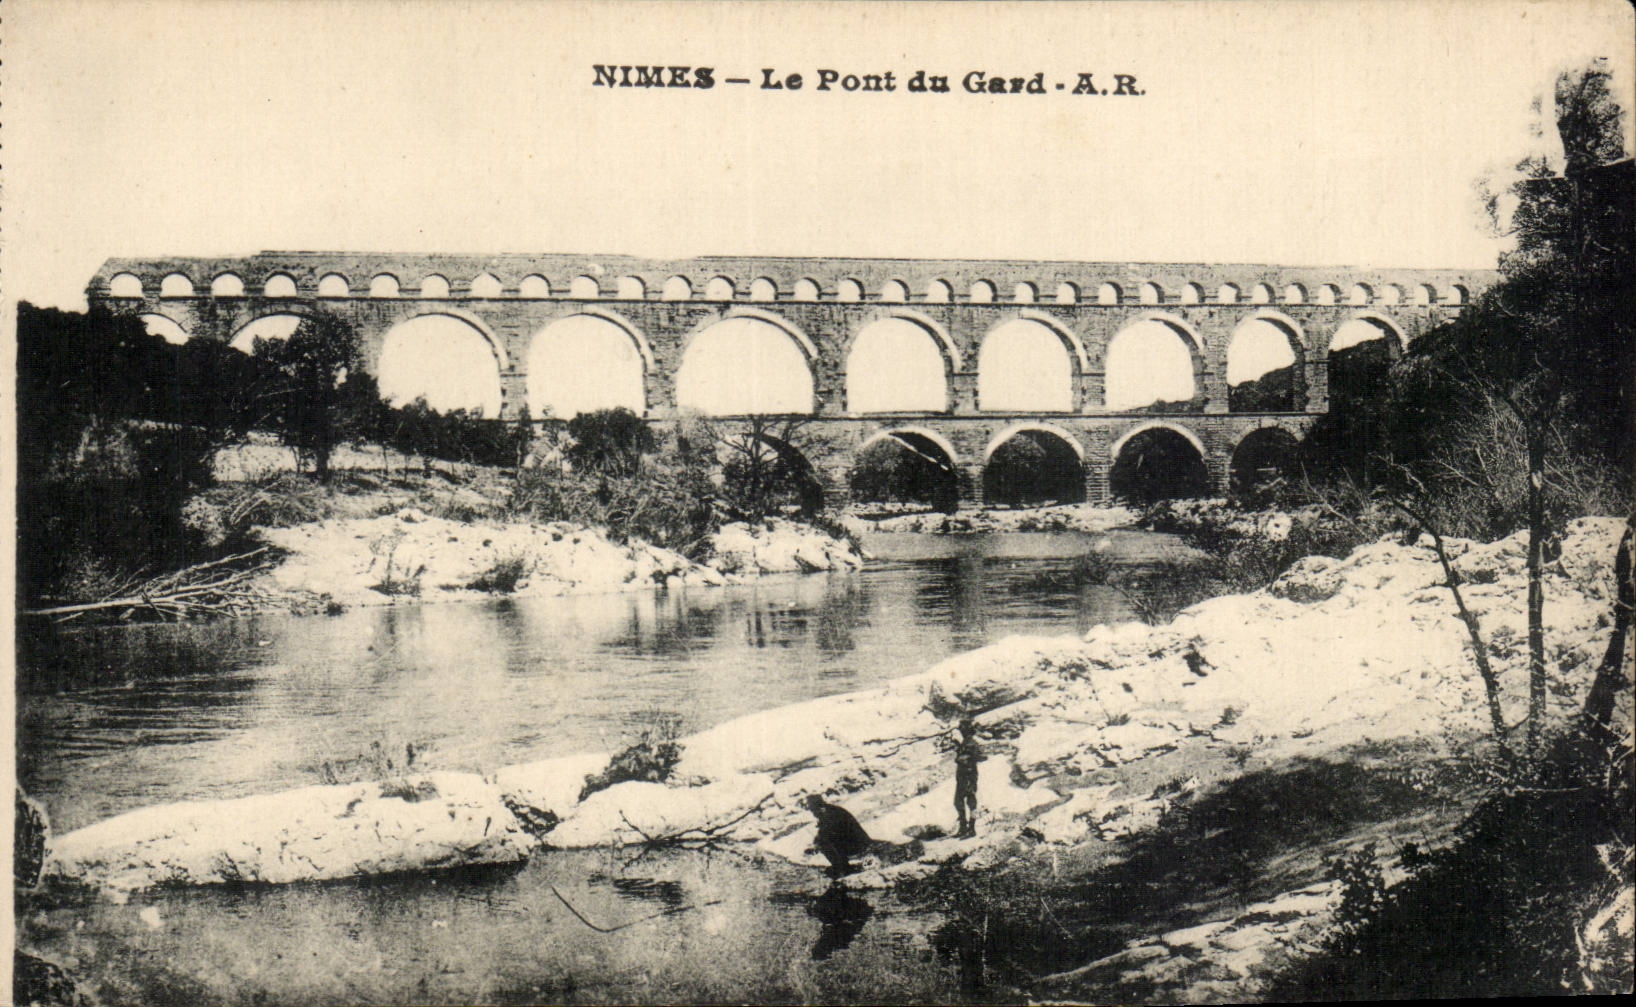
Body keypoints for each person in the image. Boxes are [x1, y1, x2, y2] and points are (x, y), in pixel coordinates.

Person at [804, 794, 873, 877]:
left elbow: (828, 834)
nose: (813, 813)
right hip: (855, 840)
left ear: (818, 807)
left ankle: (843, 868)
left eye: (812, 810)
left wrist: (817, 845)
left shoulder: (829, 814)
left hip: (857, 844)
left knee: (824, 843)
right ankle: (842, 866)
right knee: (824, 841)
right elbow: (823, 831)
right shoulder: (829, 811)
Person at [953, 717, 984, 838]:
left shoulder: (971, 743)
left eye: (962, 729)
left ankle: (970, 829)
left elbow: (979, 756)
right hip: (963, 776)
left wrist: (964, 758)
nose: (961, 731)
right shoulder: (965, 743)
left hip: (969, 775)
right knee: (959, 801)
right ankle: (964, 828)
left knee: (969, 801)